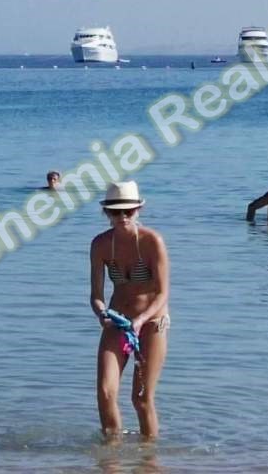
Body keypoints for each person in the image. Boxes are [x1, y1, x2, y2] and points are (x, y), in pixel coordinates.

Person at [90, 181, 170, 439]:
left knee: (141, 398)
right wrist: (101, 313)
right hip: (118, 322)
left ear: (138, 210)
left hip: (152, 323)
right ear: (106, 213)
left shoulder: (152, 241)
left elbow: (163, 293)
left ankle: (149, 457)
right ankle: (111, 453)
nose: (122, 216)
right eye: (115, 211)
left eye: (128, 211)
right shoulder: (100, 244)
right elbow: (96, 295)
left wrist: (141, 319)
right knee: (105, 392)